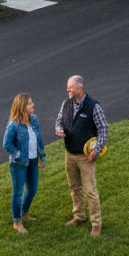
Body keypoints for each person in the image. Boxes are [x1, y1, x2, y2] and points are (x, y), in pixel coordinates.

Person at [54, 75, 108, 237]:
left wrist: (97, 149)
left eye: (70, 87)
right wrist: (59, 129)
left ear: (80, 88)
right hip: (69, 153)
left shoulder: (93, 106)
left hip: (86, 157)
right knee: (74, 187)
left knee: (90, 190)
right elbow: (59, 120)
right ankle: (79, 216)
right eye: (68, 87)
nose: (67, 90)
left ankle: (96, 224)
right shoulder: (66, 104)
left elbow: (103, 129)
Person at [2, 93, 46, 234]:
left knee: (33, 189)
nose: (33, 105)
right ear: (22, 107)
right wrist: (18, 154)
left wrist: (40, 157)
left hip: (33, 161)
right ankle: (17, 222)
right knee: (18, 192)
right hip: (18, 164)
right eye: (30, 103)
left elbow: (38, 140)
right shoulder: (13, 125)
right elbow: (6, 144)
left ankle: (25, 213)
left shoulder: (34, 119)